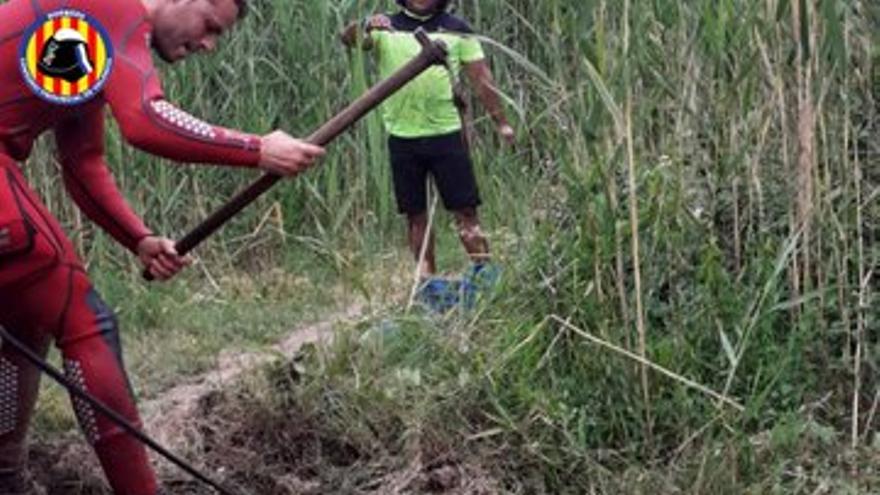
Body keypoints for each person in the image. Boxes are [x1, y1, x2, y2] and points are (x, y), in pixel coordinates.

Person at [0, 0, 325, 492]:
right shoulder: (114, 11)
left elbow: (84, 163)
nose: (208, 44)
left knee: (27, 315)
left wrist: (139, 237)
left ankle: (6, 476)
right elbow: (147, 121)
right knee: (83, 319)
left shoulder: (87, 35)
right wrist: (257, 149)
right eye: (210, 25)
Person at [341, 0, 514, 281]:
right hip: (402, 138)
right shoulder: (385, 27)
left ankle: (486, 277)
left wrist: (502, 122)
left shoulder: (458, 30)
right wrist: (363, 25)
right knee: (415, 215)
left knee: (466, 210)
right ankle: (427, 283)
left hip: (448, 136)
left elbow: (482, 78)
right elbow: (348, 39)